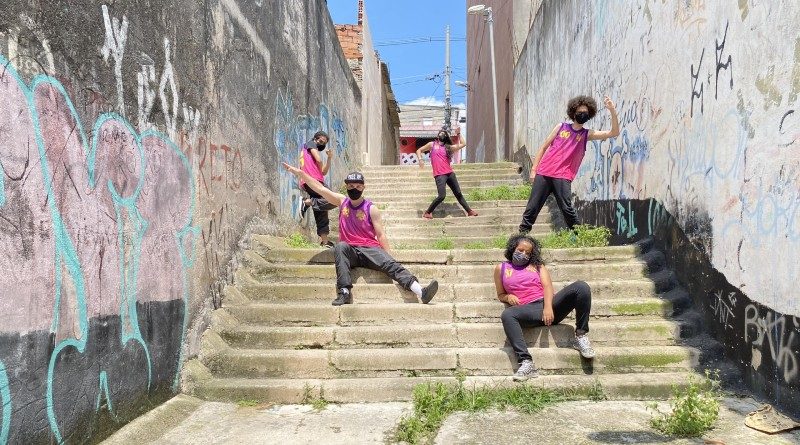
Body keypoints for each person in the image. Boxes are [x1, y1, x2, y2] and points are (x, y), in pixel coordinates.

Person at [282, 162, 440, 306]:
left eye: (358, 186)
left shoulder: (371, 208)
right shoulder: (342, 201)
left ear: (363, 187)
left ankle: (421, 292)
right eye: (351, 186)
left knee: (391, 265)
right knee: (340, 246)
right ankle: (344, 292)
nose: (354, 189)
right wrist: (301, 174)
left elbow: (381, 235)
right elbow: (320, 189)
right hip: (350, 251)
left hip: (370, 249)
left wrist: (388, 256)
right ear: (346, 187)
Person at [494, 234, 595, 381]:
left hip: (549, 305)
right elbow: (500, 294)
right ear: (513, 248)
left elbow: (547, 287)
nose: (523, 254)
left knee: (581, 287)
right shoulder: (501, 268)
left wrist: (548, 307)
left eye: (528, 252)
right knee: (507, 314)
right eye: (520, 250)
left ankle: (581, 336)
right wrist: (508, 297)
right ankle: (526, 362)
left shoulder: (538, 266)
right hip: (529, 310)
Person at [519, 95, 620, 234]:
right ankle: (522, 235)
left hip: (563, 175)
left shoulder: (587, 134)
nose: (582, 114)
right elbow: (543, 147)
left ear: (590, 114)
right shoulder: (561, 127)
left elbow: (614, 132)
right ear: (573, 112)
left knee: (567, 209)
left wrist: (612, 110)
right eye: (580, 112)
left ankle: (580, 235)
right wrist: (533, 170)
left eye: (585, 112)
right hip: (544, 172)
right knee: (532, 206)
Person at [416, 129, 479, 219]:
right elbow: (419, 150)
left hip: (450, 174)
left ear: (446, 137)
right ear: (438, 136)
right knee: (442, 196)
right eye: (441, 133)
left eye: (444, 134)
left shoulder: (448, 147)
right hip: (439, 175)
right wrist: (420, 159)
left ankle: (469, 211)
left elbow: (463, 144)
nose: (442, 134)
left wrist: (458, 133)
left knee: (458, 193)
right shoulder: (432, 144)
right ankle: (428, 212)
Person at [299, 131, 336, 248]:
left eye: (324, 143)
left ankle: (324, 241)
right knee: (335, 200)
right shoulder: (310, 144)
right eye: (320, 141)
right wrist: (320, 162)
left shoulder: (311, 154)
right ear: (315, 139)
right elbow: (319, 160)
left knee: (321, 210)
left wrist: (329, 158)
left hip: (313, 181)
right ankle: (307, 202)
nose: (321, 144)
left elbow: (324, 172)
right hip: (313, 181)